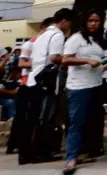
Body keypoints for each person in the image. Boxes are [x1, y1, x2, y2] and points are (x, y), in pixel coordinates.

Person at [18, 9, 73, 165]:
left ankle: (26, 154)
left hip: (33, 80)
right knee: (45, 118)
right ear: (64, 21)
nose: (69, 26)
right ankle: (40, 153)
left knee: (31, 119)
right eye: (69, 22)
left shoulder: (42, 36)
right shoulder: (57, 36)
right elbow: (54, 57)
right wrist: (67, 60)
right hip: (46, 82)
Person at [60, 10, 107, 175]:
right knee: (77, 122)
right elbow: (65, 59)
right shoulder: (76, 39)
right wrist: (87, 60)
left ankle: (86, 152)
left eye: (96, 21)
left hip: (96, 85)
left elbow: (104, 61)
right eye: (90, 20)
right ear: (85, 22)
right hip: (78, 87)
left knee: (93, 122)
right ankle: (71, 158)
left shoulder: (100, 41)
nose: (93, 24)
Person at [7, 17, 53, 156]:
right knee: (22, 118)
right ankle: (14, 145)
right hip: (26, 84)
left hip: (37, 84)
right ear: (43, 28)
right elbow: (21, 64)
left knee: (33, 118)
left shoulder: (45, 45)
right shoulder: (30, 44)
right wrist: (41, 64)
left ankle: (29, 146)